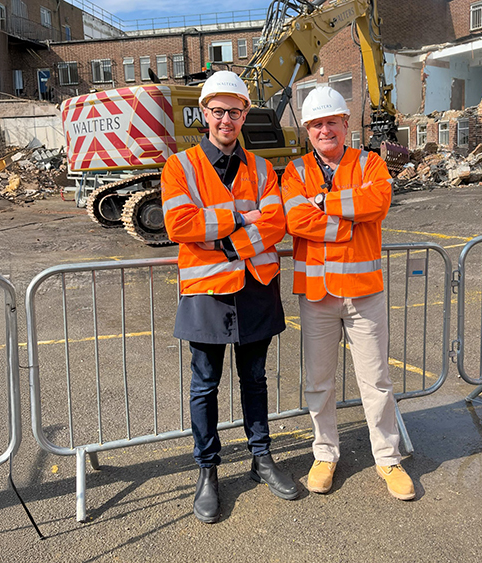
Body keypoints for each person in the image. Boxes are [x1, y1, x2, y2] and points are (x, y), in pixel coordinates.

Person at [161, 70, 298, 524]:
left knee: (255, 380)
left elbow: (276, 223)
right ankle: (207, 472)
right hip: (207, 294)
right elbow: (179, 226)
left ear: (244, 115)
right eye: (218, 111)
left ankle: (262, 460)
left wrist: (221, 236)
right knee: (205, 386)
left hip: (256, 289)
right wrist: (242, 214)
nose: (226, 120)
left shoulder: (261, 168)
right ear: (204, 113)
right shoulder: (179, 166)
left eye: (234, 112)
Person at [281, 87, 415, 501]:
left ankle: (388, 459)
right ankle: (324, 454)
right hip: (317, 296)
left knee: (376, 381)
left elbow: (377, 200)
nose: (325, 130)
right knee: (319, 383)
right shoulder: (294, 171)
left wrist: (323, 200)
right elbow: (294, 218)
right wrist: (344, 222)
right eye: (317, 124)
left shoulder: (369, 162)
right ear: (307, 130)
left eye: (332, 122)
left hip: (363, 292)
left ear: (344, 125)